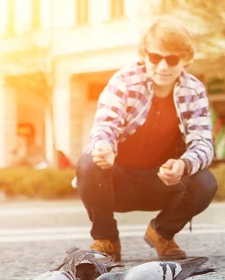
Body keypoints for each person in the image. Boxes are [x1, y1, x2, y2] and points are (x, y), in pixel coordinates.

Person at [75, 18, 217, 262]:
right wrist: (104, 147)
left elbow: (203, 143)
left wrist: (183, 164)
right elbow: (105, 124)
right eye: (155, 57)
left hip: (163, 182)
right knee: (89, 163)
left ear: (186, 60)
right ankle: (106, 239)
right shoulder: (124, 81)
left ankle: (161, 232)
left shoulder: (194, 90)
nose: (162, 66)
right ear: (144, 54)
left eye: (172, 59)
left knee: (205, 182)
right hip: (117, 181)